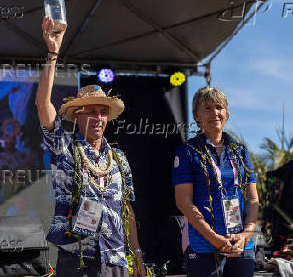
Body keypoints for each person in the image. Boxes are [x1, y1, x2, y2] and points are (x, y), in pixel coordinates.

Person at [36, 16, 145, 277]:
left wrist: (137, 254)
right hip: (78, 256)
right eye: (91, 112)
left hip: (116, 257)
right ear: (78, 116)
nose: (98, 118)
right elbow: (43, 104)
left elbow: (127, 208)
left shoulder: (119, 158)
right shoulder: (65, 148)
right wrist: (53, 53)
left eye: (102, 112)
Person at [172, 86, 259, 277]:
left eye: (219, 107)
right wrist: (214, 238)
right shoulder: (187, 151)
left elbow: (253, 199)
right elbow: (183, 202)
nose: (215, 113)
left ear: (227, 113)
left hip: (240, 245)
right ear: (197, 116)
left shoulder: (240, 150)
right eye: (207, 108)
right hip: (203, 245)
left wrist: (246, 235)